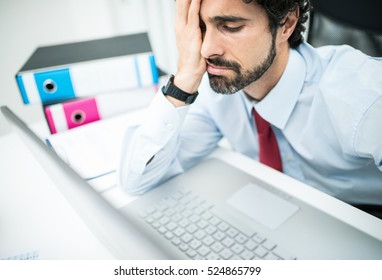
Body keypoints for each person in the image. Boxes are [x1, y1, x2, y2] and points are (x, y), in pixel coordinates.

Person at [118, 0, 382, 210]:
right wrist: (183, 80)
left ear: (287, 24)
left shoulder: (360, 97)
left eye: (230, 27)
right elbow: (137, 181)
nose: (207, 49)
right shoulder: (218, 91)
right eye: (200, 28)